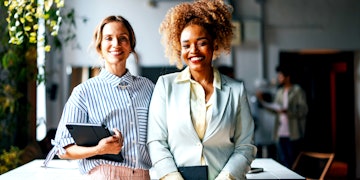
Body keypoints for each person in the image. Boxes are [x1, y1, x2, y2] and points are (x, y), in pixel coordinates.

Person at [146, 0, 257, 179]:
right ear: (179, 48)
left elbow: (245, 146)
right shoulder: (165, 86)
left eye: (202, 42)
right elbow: (156, 142)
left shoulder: (236, 91)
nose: (193, 50)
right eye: (186, 45)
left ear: (214, 44)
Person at [43, 15, 154, 179]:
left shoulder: (148, 87)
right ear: (99, 47)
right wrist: (99, 150)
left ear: (131, 46)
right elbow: (63, 149)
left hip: (143, 175)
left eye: (123, 38)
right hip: (105, 175)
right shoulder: (84, 92)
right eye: (109, 38)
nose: (116, 44)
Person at [256, 65, 308, 168]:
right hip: (279, 133)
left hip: (293, 133)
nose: (278, 78)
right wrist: (263, 102)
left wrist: (288, 111)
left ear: (287, 77)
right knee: (282, 162)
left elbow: (303, 110)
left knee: (293, 162)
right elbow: (276, 109)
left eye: (280, 76)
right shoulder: (280, 92)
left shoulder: (297, 91)